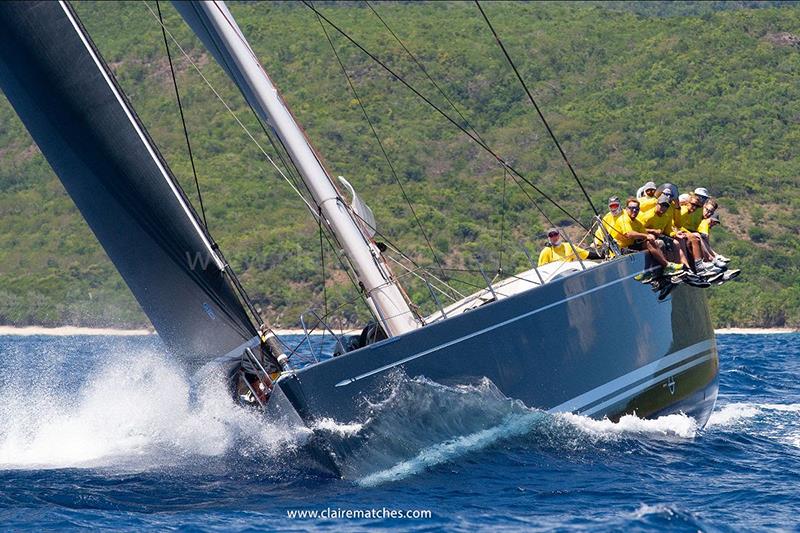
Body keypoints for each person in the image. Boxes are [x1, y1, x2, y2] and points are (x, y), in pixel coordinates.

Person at [613, 198, 682, 275]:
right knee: (651, 243)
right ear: (626, 209)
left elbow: (646, 234)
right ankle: (666, 266)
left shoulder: (637, 222)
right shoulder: (624, 219)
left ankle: (659, 271)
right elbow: (629, 234)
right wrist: (647, 235)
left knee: (657, 243)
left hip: (632, 245)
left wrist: (651, 237)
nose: (634, 210)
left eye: (636, 209)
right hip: (621, 249)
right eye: (631, 208)